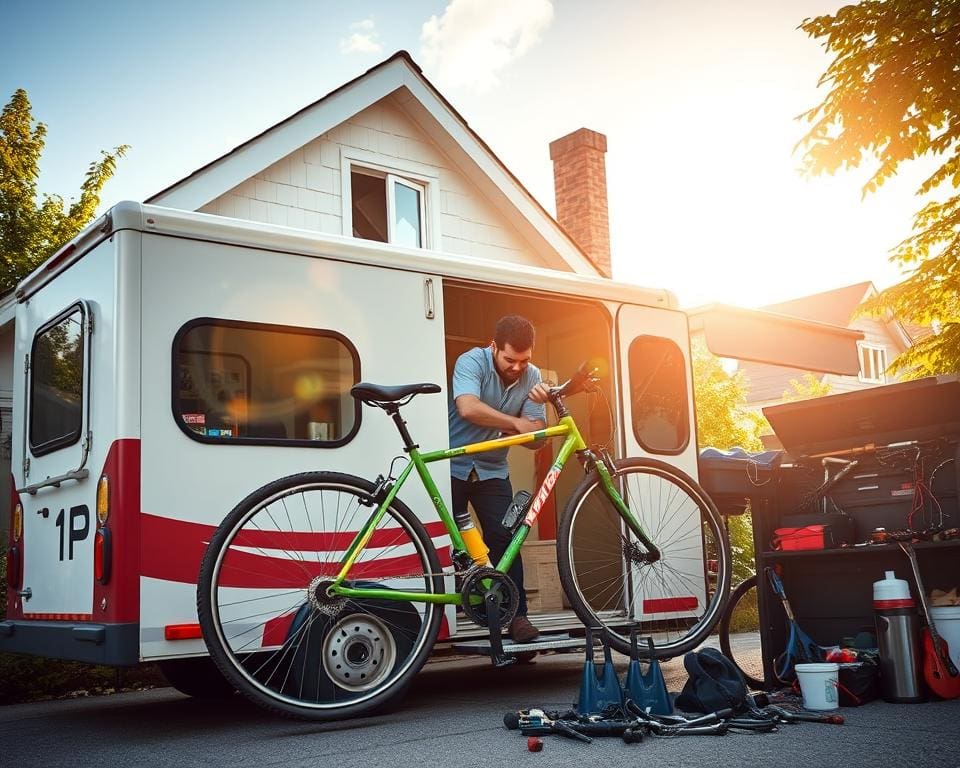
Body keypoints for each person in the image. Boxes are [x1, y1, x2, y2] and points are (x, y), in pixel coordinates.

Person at [448, 315, 551, 643]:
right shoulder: (471, 362)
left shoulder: (533, 377)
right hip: (452, 464)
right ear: (494, 347)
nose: (518, 367)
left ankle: (517, 617)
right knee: (447, 542)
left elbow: (537, 436)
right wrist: (516, 422)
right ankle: (448, 615)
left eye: (525, 360)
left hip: (493, 469)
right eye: (510, 360)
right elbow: (467, 407)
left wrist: (534, 418)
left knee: (506, 539)